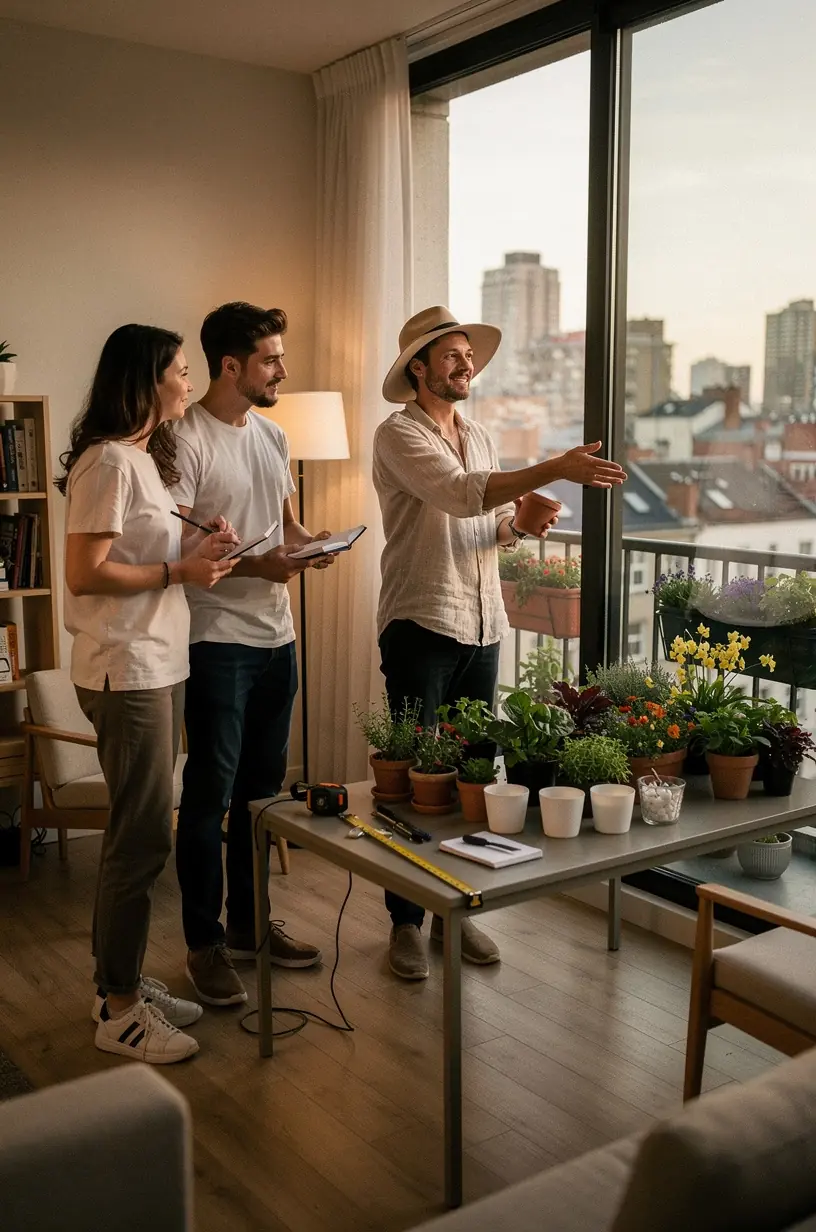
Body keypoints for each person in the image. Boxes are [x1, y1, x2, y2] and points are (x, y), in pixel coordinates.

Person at [374, 306, 627, 980]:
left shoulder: (481, 436)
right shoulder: (398, 435)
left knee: (474, 781)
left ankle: (460, 910)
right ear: (418, 369)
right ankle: (406, 922)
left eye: (468, 355)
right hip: (421, 623)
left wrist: (519, 526)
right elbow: (459, 497)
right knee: (414, 784)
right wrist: (553, 469)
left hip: (483, 626)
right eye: (450, 356)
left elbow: (479, 527)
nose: (465, 365)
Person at [60, 323, 238, 1062]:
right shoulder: (107, 462)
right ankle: (120, 1006)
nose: (189, 380)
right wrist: (178, 574)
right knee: (137, 842)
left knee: (143, 833)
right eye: (180, 370)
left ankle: (119, 980)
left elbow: (147, 555)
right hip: (125, 668)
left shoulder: (141, 459)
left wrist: (198, 552)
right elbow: (85, 573)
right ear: (147, 379)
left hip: (159, 663)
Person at [172, 302, 333, 1008]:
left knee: (261, 802)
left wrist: (308, 546)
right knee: (208, 801)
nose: (282, 370)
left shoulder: (273, 433)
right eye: (270, 360)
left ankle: (249, 929)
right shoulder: (183, 440)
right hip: (216, 644)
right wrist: (259, 567)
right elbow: (176, 551)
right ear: (231, 365)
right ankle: (203, 947)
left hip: (278, 640)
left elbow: (284, 525)